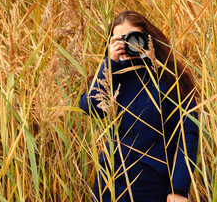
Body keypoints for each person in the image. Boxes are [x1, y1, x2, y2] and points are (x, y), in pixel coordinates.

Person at [78, 11, 199, 202]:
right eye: (120, 40)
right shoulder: (112, 77)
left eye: (133, 38)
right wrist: (109, 64)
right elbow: (90, 108)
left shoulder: (170, 78)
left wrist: (178, 189)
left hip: (153, 185)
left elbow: (187, 135)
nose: (127, 45)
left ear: (147, 39)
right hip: (110, 182)